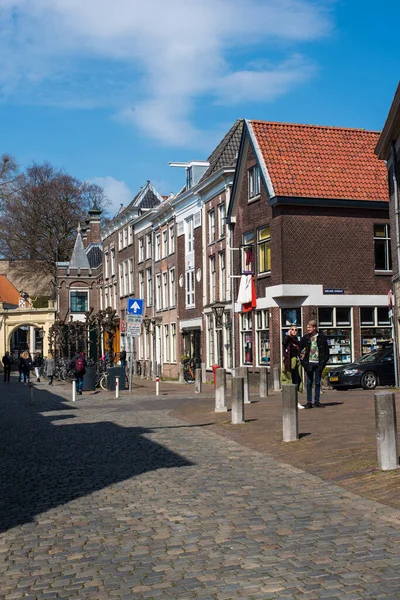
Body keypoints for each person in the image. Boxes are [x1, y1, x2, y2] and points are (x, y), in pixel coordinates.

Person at [300, 320, 330, 408]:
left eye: (309, 327)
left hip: (318, 363)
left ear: (314, 327)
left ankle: (317, 401)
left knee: (317, 382)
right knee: (309, 382)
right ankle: (309, 402)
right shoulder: (305, 338)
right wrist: (303, 363)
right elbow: (301, 352)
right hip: (309, 363)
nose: (308, 329)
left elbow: (326, 351)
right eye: (307, 327)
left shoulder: (322, 337)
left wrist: (323, 363)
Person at [281, 325, 304, 409]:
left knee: (296, 382)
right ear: (289, 330)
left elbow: (301, 350)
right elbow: (284, 343)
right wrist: (288, 335)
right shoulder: (288, 340)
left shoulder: (297, 341)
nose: (294, 331)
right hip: (289, 363)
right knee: (288, 382)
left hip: (296, 363)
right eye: (292, 329)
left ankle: (296, 402)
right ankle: (289, 402)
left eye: (296, 330)